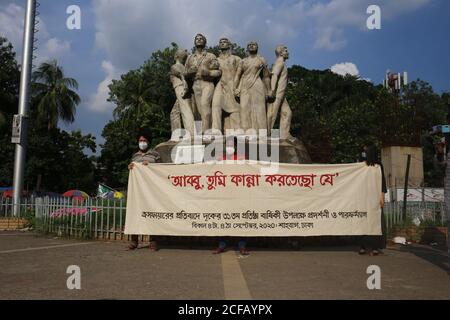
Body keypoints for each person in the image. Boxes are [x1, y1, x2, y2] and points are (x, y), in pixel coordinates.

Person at [213, 137, 249, 255]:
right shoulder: (220, 159)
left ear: (235, 146)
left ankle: (242, 246)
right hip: (223, 195)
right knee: (223, 221)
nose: (229, 147)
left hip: (239, 195)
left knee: (240, 220)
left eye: (231, 145)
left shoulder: (242, 159)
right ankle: (221, 245)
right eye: (227, 145)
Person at [127, 131, 161, 251]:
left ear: (148, 142)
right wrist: (130, 167)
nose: (142, 143)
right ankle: (134, 241)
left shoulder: (155, 155)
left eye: (144, 140)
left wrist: (151, 166)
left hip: (152, 190)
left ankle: (153, 241)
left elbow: (161, 169)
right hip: (138, 192)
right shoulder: (135, 156)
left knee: (152, 214)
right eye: (140, 141)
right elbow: (133, 170)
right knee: (135, 214)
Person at [234, 41, 271, 132]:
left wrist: (269, 90)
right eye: (249, 45)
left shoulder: (261, 60)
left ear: (257, 47)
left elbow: (266, 76)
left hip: (257, 84)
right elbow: (237, 75)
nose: (251, 46)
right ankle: (246, 131)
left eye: (253, 44)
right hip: (245, 85)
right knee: (244, 107)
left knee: (260, 108)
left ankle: (261, 133)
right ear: (247, 48)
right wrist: (235, 88)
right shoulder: (243, 61)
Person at [359, 143, 387, 256]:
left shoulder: (378, 166)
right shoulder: (360, 165)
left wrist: (382, 196)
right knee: (362, 222)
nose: (364, 153)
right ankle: (362, 246)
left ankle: (375, 247)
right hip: (362, 198)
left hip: (375, 198)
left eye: (366, 151)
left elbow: (382, 182)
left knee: (375, 223)